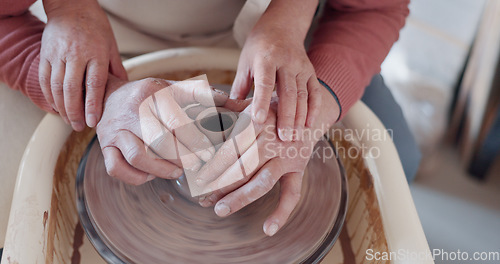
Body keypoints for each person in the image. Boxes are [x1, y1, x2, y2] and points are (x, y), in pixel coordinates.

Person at [0, 0, 418, 236]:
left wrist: (312, 99)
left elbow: (375, 8)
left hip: (285, 44)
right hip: (101, 45)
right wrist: (97, 89)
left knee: (399, 159)